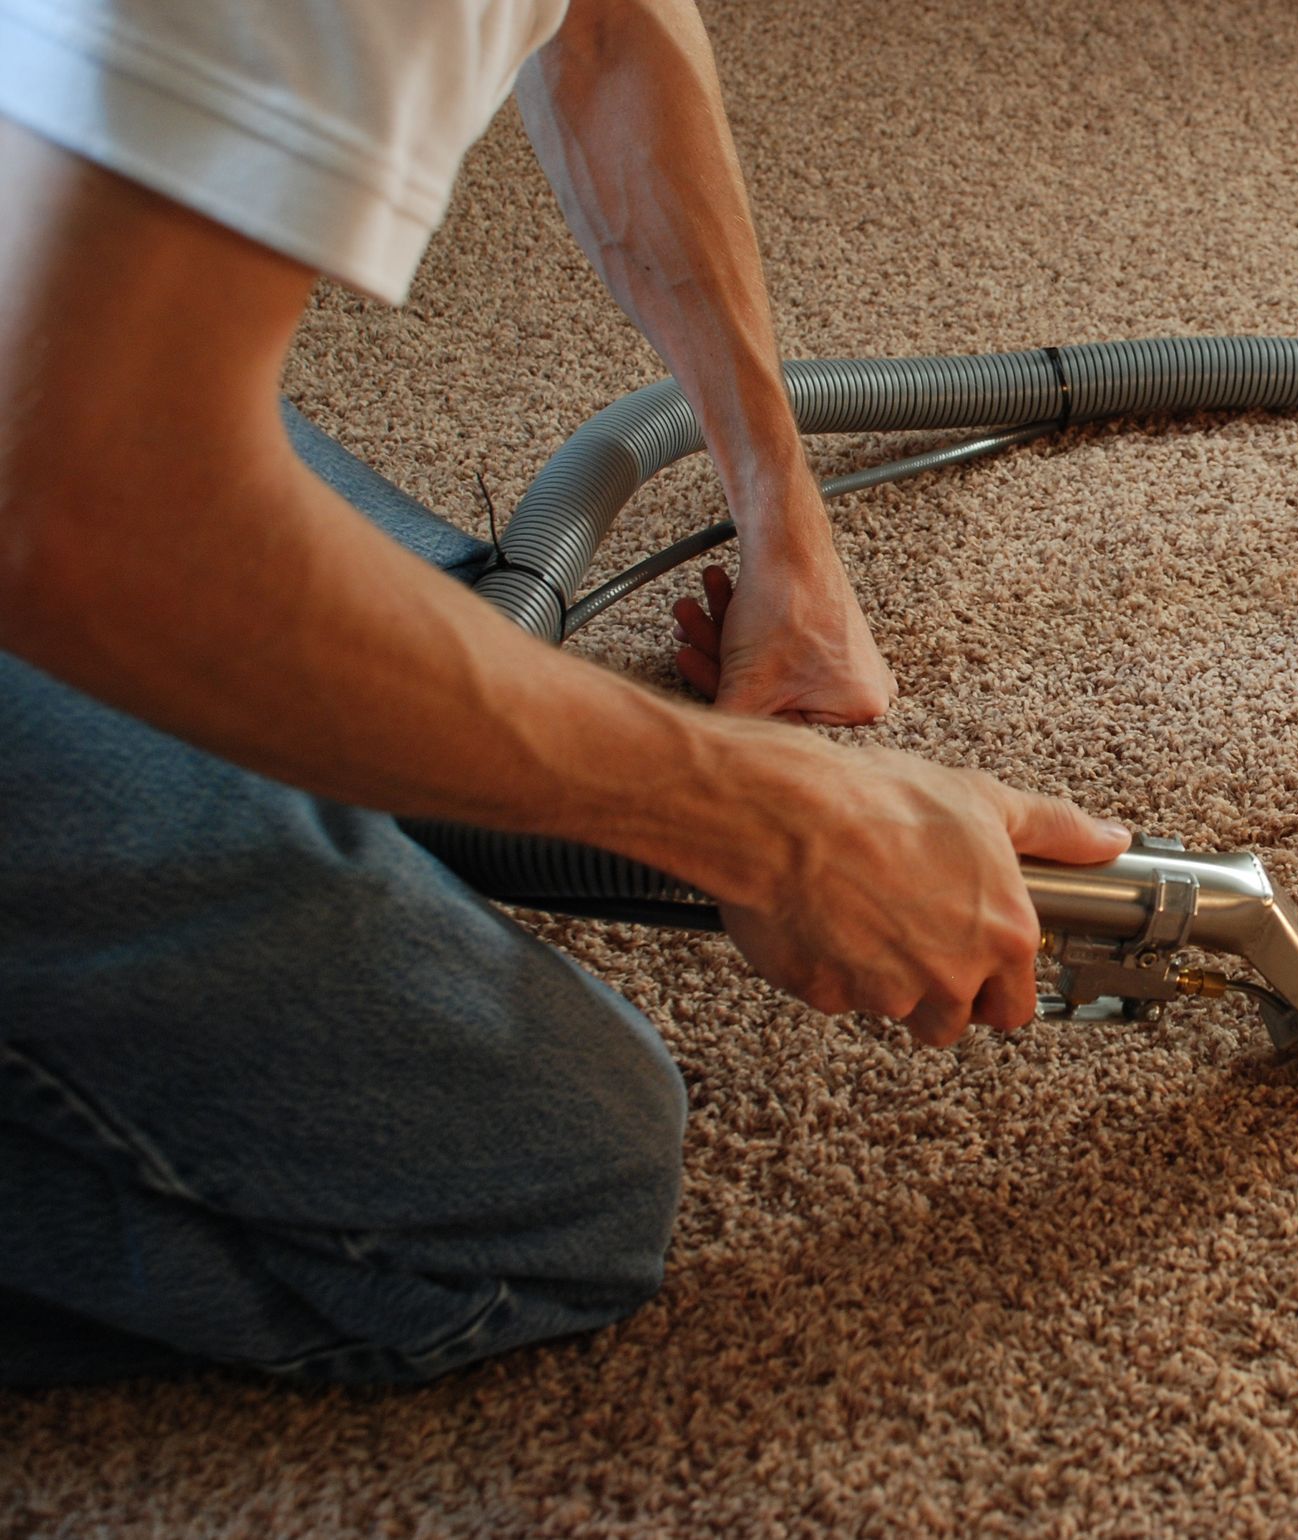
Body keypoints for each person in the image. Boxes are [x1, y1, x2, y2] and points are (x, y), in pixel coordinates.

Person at [0, 0, 1129, 1385]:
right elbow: (87, 513)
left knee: (458, 655)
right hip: (48, 470)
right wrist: (776, 823)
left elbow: (605, 33)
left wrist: (785, 522)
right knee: (538, 1186)